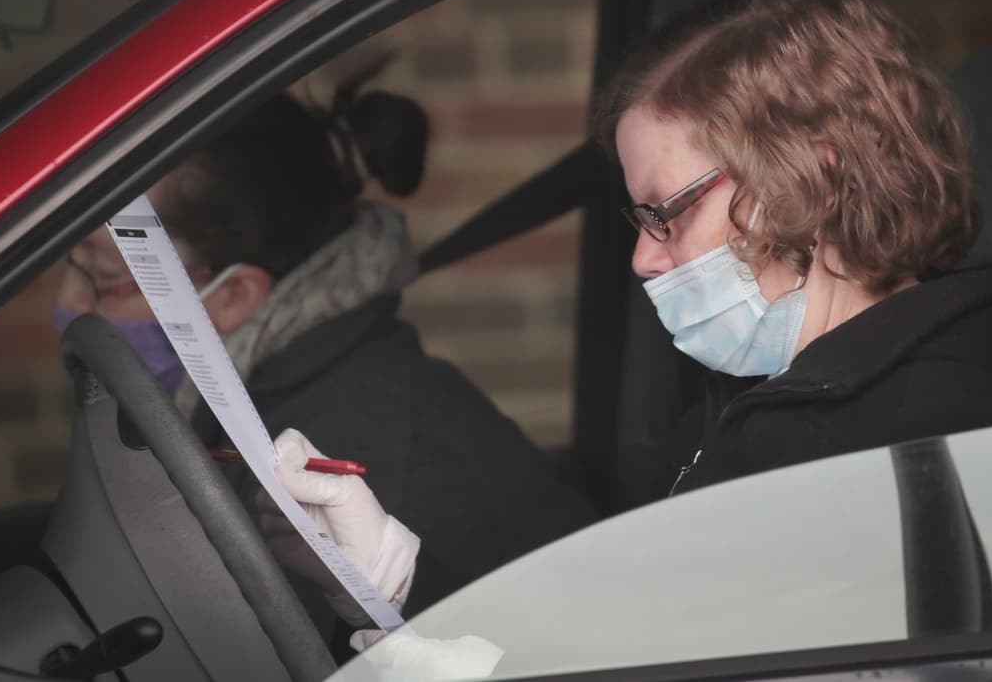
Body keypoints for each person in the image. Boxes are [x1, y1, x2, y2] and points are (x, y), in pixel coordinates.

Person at [272, 0, 992, 661]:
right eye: (637, 220)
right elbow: (627, 639)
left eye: (669, 212)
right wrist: (391, 575)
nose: (646, 256)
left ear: (818, 178)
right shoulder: (787, 398)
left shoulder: (919, 436)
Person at [53, 66, 597, 625]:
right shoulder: (263, 400)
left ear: (233, 294)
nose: (69, 303)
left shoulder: (354, 447)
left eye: (99, 277)